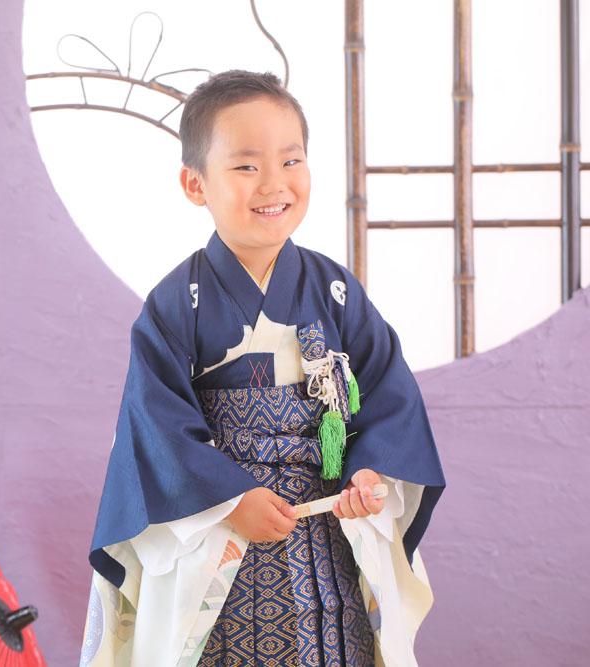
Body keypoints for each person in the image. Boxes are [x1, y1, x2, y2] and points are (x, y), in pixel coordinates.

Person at [78, 70, 445, 667]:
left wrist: (368, 473)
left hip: (326, 527)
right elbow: (156, 428)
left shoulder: (336, 292)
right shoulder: (175, 303)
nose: (274, 183)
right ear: (195, 183)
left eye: (291, 160)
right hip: (224, 535)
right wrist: (231, 499)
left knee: (334, 644)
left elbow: (389, 396)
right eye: (247, 166)